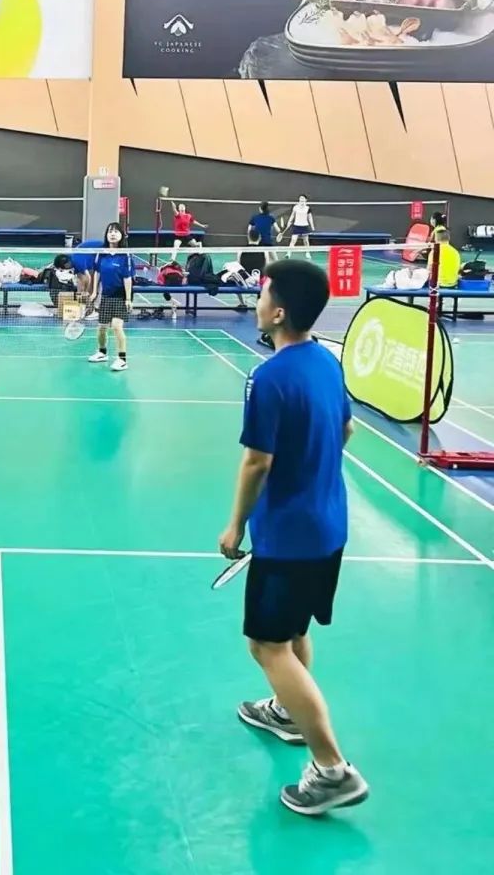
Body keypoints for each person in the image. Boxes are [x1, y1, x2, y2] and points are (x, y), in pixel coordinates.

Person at [218, 259, 368, 816]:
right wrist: (311, 473)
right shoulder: (326, 360)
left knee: (266, 645)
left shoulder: (269, 378)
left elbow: (257, 462)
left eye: (262, 294)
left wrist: (236, 525)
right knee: (294, 627)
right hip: (329, 524)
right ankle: (288, 712)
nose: (257, 301)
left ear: (278, 312)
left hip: (289, 537)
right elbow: (345, 428)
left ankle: (332, 770)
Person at [87, 222, 133, 372]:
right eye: (110, 231)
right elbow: (97, 273)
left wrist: (128, 299)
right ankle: (102, 352)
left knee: (117, 327)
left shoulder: (126, 255)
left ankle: (122, 359)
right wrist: (94, 292)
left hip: (120, 295)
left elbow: (127, 278)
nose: (112, 234)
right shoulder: (101, 253)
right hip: (106, 295)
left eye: (116, 231)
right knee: (101, 327)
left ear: (121, 235)